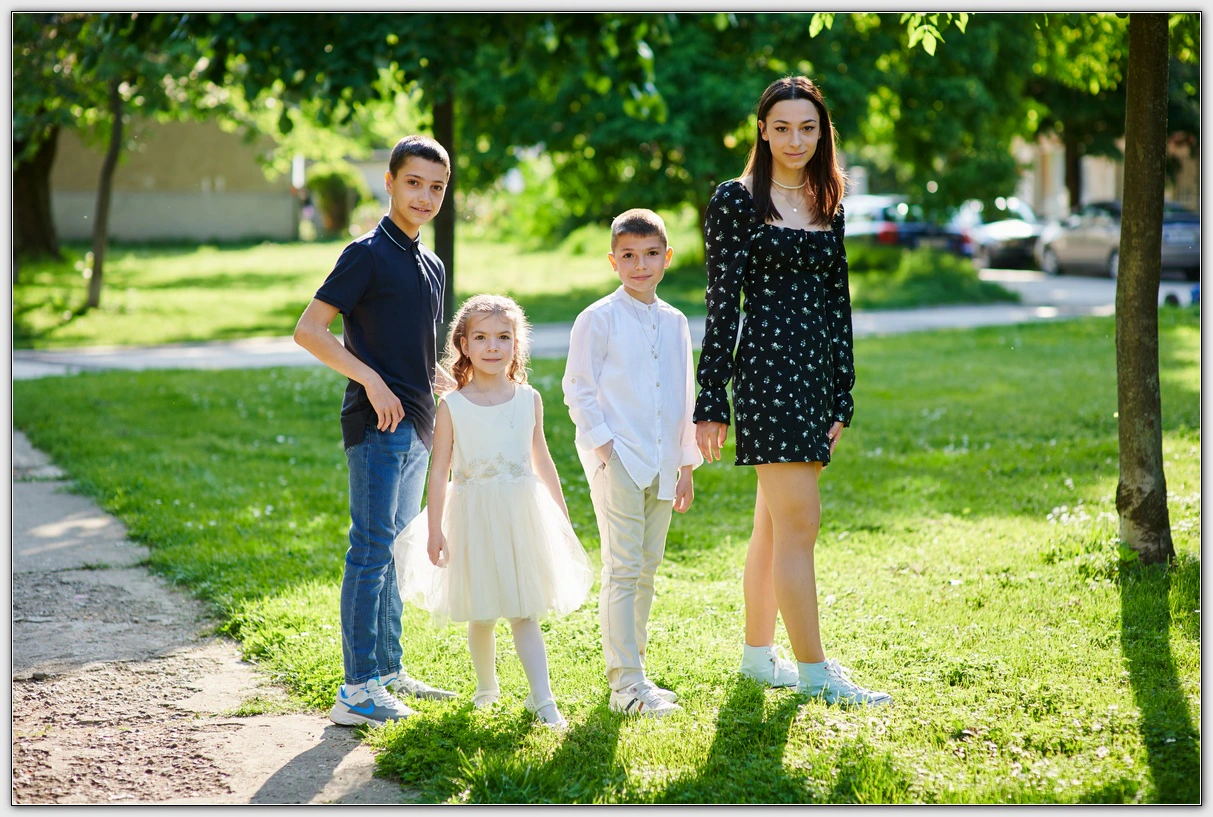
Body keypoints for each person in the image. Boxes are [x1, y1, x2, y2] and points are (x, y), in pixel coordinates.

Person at [694, 76, 891, 707]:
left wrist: (842, 393)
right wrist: (710, 398)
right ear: (763, 130)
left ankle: (758, 660)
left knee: (775, 527)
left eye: (807, 128)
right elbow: (722, 304)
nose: (795, 140)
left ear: (822, 132)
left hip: (814, 378)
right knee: (801, 523)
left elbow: (838, 303)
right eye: (782, 128)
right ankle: (815, 673)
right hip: (767, 375)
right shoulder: (735, 201)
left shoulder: (828, 199)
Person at [294, 135, 459, 727]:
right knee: (370, 550)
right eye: (413, 183)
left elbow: (410, 345)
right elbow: (310, 330)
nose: (424, 196)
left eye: (436, 187)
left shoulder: (432, 264)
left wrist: (439, 378)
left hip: (418, 427)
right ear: (389, 183)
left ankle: (388, 672)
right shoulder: (364, 253)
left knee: (395, 550)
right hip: (376, 424)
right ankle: (356, 689)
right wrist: (372, 381)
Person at [396, 295, 593, 729]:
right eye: (481, 338)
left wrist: (561, 517)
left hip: (521, 515)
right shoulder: (453, 406)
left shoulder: (529, 399)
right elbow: (439, 471)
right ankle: (487, 689)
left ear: (516, 344)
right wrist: (435, 529)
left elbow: (542, 459)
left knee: (525, 609)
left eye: (503, 337)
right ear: (464, 345)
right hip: (472, 516)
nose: (492, 347)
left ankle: (543, 700)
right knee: (481, 608)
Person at [562, 209, 701, 718]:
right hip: (618, 460)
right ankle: (624, 685)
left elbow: (683, 396)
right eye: (628, 256)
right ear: (613, 261)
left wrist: (685, 465)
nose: (640, 265)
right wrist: (607, 451)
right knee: (622, 569)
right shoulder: (598, 318)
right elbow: (577, 389)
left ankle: (637, 671)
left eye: (650, 255)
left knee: (647, 569)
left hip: (663, 463)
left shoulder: (676, 322)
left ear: (667, 257)